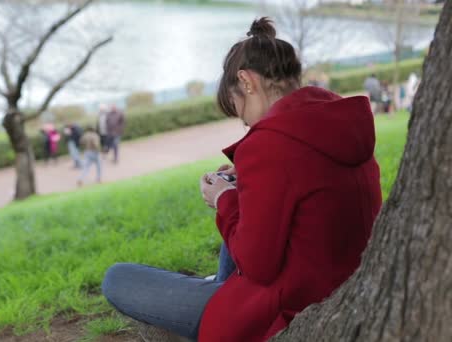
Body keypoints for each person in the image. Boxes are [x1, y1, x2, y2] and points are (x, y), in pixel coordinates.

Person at [101, 17, 382, 342]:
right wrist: (248, 180)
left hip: (283, 307)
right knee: (239, 207)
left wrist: (224, 200)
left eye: (239, 109)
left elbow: (258, 266)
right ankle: (211, 288)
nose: (246, 124)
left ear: (247, 81)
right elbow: (302, 185)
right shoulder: (337, 121)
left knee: (117, 278)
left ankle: (209, 294)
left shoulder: (269, 146)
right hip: (340, 281)